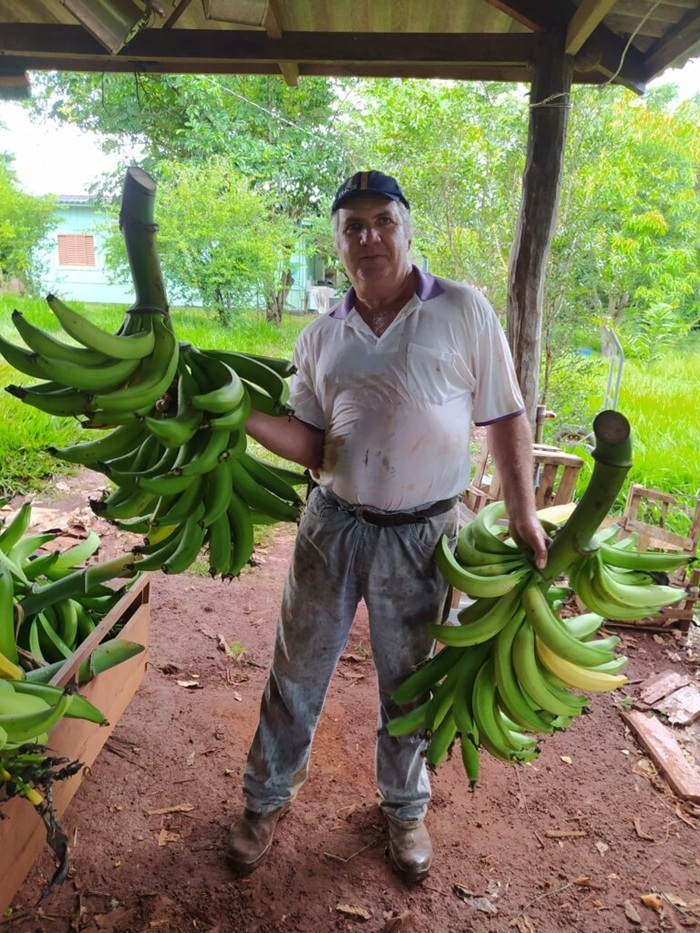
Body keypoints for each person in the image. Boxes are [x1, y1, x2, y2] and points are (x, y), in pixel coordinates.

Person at [226, 170, 549, 882]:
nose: (368, 236)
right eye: (353, 225)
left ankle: (405, 809)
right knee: (296, 668)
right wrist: (242, 417)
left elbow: (504, 416)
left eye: (382, 220)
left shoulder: (463, 311)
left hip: (426, 533)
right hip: (333, 523)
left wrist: (523, 509)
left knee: (414, 681)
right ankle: (265, 798)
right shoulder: (321, 336)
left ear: (406, 228)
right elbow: (313, 445)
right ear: (337, 241)